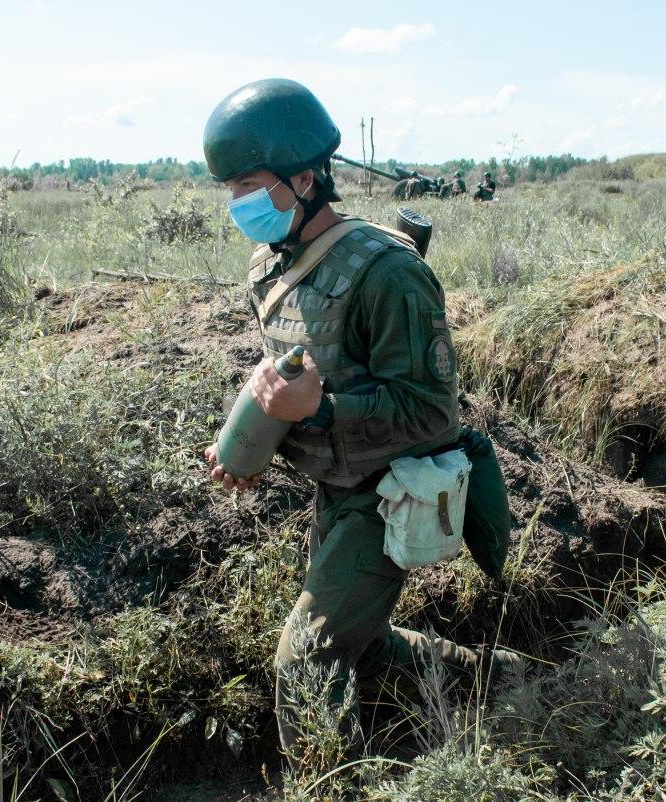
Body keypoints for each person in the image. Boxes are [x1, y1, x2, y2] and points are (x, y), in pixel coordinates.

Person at [201, 78, 517, 763]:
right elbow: (289, 378)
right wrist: (249, 443)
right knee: (360, 644)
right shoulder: (272, 266)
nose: (238, 205)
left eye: (249, 186)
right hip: (333, 488)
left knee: (305, 659)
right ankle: (498, 681)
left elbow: (432, 411)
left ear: (306, 179)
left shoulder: (388, 274)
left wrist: (322, 408)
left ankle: (330, 783)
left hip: (389, 491)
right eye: (229, 190)